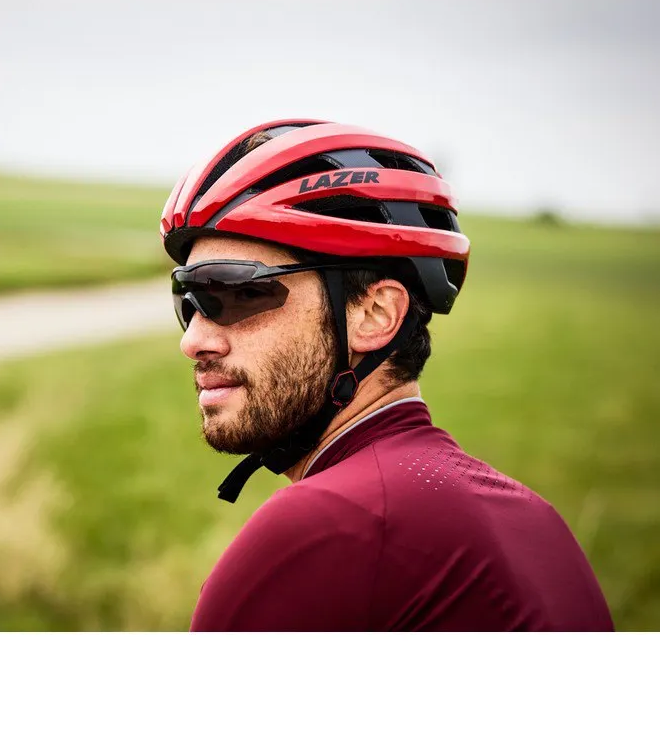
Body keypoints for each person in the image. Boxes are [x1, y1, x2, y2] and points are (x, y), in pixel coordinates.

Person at [161, 118, 613, 632]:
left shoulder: (323, 528)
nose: (193, 340)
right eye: (189, 300)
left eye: (237, 292)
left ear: (375, 315)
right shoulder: (533, 517)